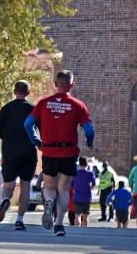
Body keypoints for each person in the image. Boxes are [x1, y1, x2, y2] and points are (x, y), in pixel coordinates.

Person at [24, 70, 94, 237]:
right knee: (63, 190)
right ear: (72, 85)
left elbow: (28, 124)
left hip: (49, 150)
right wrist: (90, 142)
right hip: (69, 151)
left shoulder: (43, 103)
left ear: (56, 84)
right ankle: (59, 224)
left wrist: (36, 141)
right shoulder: (78, 105)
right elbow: (89, 130)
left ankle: (48, 201)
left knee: (49, 186)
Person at [0, 80, 37, 230]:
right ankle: (19, 220)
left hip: (10, 151)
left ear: (14, 91)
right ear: (28, 92)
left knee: (8, 185)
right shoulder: (34, 109)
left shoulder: (6, 109)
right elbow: (41, 129)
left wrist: (10, 136)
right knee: (25, 186)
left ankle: (6, 200)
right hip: (28, 151)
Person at [71, 156, 97, 227]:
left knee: (77, 215)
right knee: (85, 217)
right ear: (87, 164)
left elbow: (72, 185)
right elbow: (93, 184)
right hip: (86, 198)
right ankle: (84, 231)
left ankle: (77, 230)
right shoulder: (90, 173)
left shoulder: (75, 173)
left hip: (77, 197)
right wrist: (90, 188)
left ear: (79, 164)